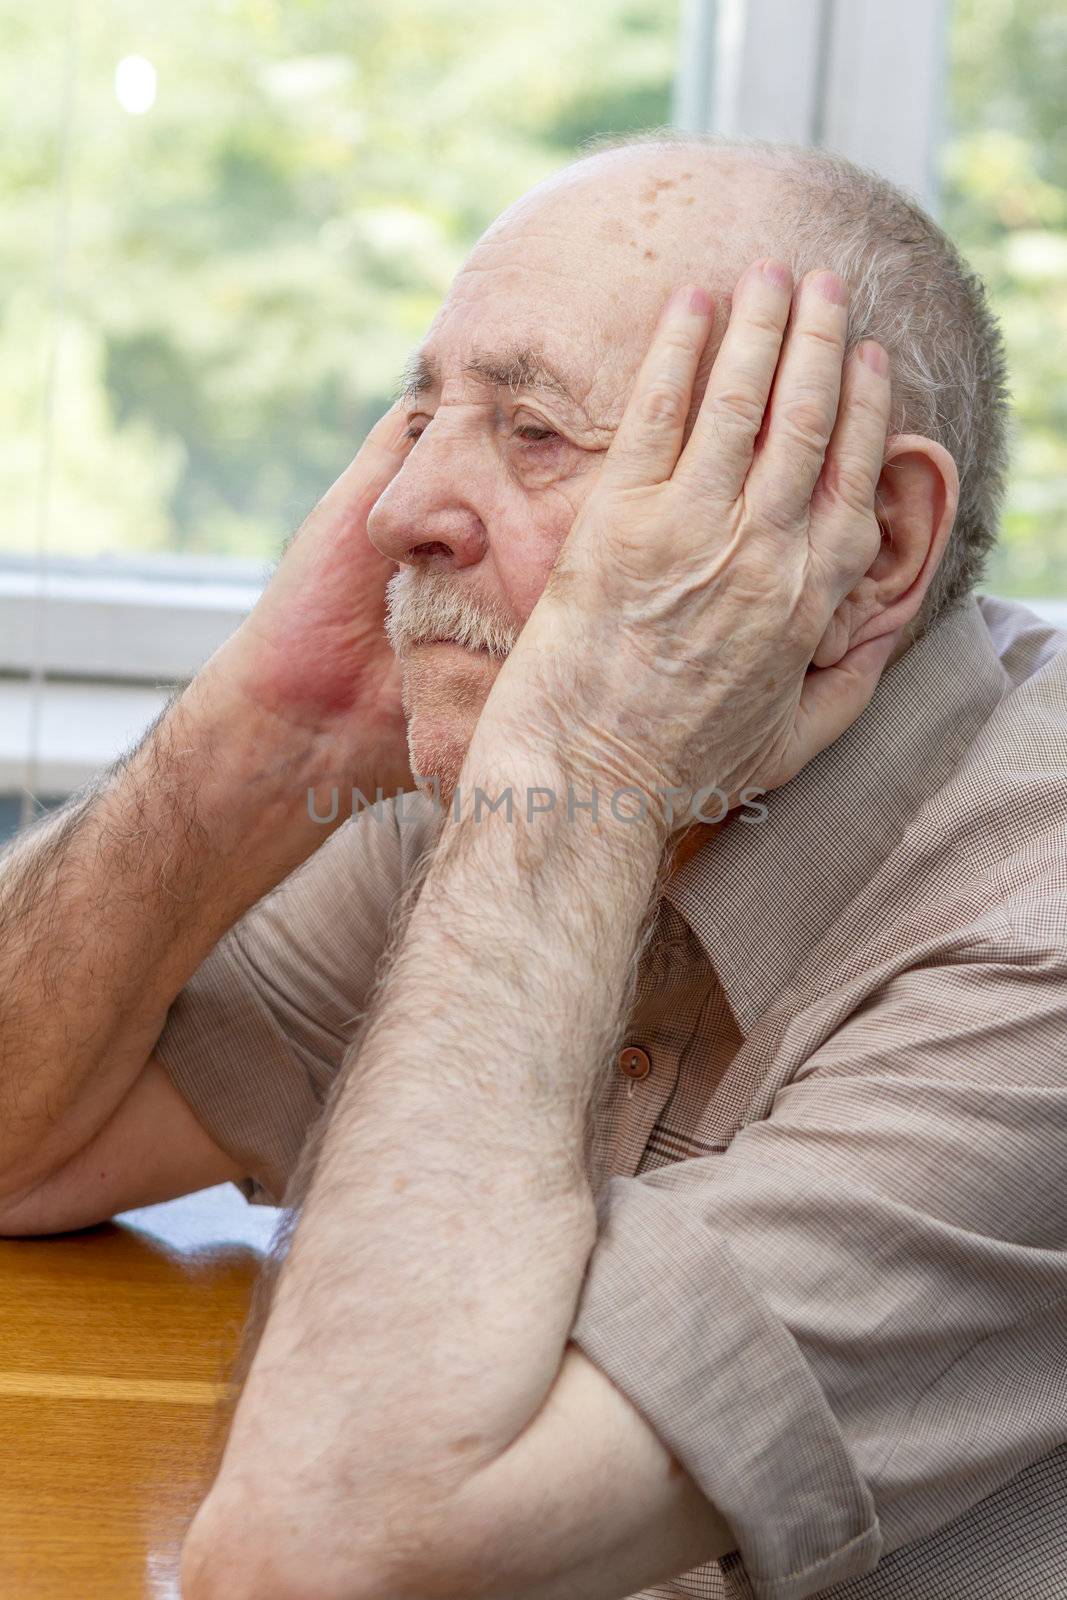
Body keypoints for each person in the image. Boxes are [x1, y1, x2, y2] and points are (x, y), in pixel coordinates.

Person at [1, 134, 1065, 1600]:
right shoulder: (503, 778)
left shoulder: (1033, 926)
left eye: (535, 433)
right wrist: (261, 729)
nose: (396, 512)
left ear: (873, 548)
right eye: (420, 414)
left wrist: (583, 782)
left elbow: (326, 1561)